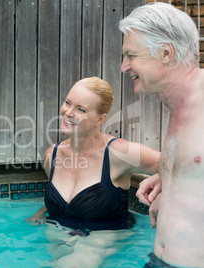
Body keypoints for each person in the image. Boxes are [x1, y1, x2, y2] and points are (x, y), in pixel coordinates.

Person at [26, 77, 160, 267]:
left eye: (81, 109)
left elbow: (177, 163)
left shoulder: (117, 153)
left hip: (104, 234)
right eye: (68, 103)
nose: (68, 113)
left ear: (100, 119)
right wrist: (39, 213)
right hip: (59, 230)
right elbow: (64, 200)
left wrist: (161, 182)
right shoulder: (52, 154)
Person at [119, 2, 204, 267]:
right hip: (159, 260)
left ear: (166, 52)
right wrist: (170, 181)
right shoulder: (176, 105)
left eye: (131, 55)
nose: (124, 66)